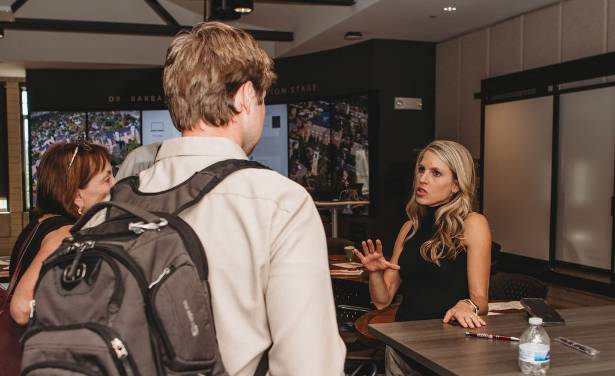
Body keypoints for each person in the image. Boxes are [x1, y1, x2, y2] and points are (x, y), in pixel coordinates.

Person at [134, 22, 345, 375]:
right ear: (246, 97)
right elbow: (308, 365)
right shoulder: (280, 203)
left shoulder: (113, 204)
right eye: (263, 100)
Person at [353, 140, 491, 375]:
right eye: (421, 169)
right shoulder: (410, 228)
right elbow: (382, 300)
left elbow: (481, 300)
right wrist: (375, 273)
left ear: (456, 185)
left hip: (447, 348)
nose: (423, 179)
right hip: (402, 345)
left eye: (436, 173)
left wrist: (465, 304)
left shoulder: (473, 224)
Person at [9, 141, 114, 325]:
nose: (115, 184)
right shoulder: (64, 234)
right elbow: (22, 309)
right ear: (77, 197)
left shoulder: (40, 224)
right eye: (107, 179)